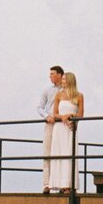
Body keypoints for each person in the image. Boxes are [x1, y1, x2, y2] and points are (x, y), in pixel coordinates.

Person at [49, 72, 84, 193]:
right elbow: (55, 113)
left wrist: (71, 115)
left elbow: (81, 114)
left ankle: (69, 184)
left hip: (70, 128)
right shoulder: (58, 95)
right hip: (59, 128)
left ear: (69, 80)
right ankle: (61, 184)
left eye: (64, 79)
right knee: (59, 154)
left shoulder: (79, 96)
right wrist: (63, 116)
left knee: (70, 154)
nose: (62, 81)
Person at [37, 65, 64, 194]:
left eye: (52, 74)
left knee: (62, 153)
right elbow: (40, 107)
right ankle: (46, 184)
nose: (50, 76)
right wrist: (46, 116)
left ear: (59, 75)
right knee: (47, 153)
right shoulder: (47, 90)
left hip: (62, 124)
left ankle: (62, 184)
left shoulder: (66, 89)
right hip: (50, 123)